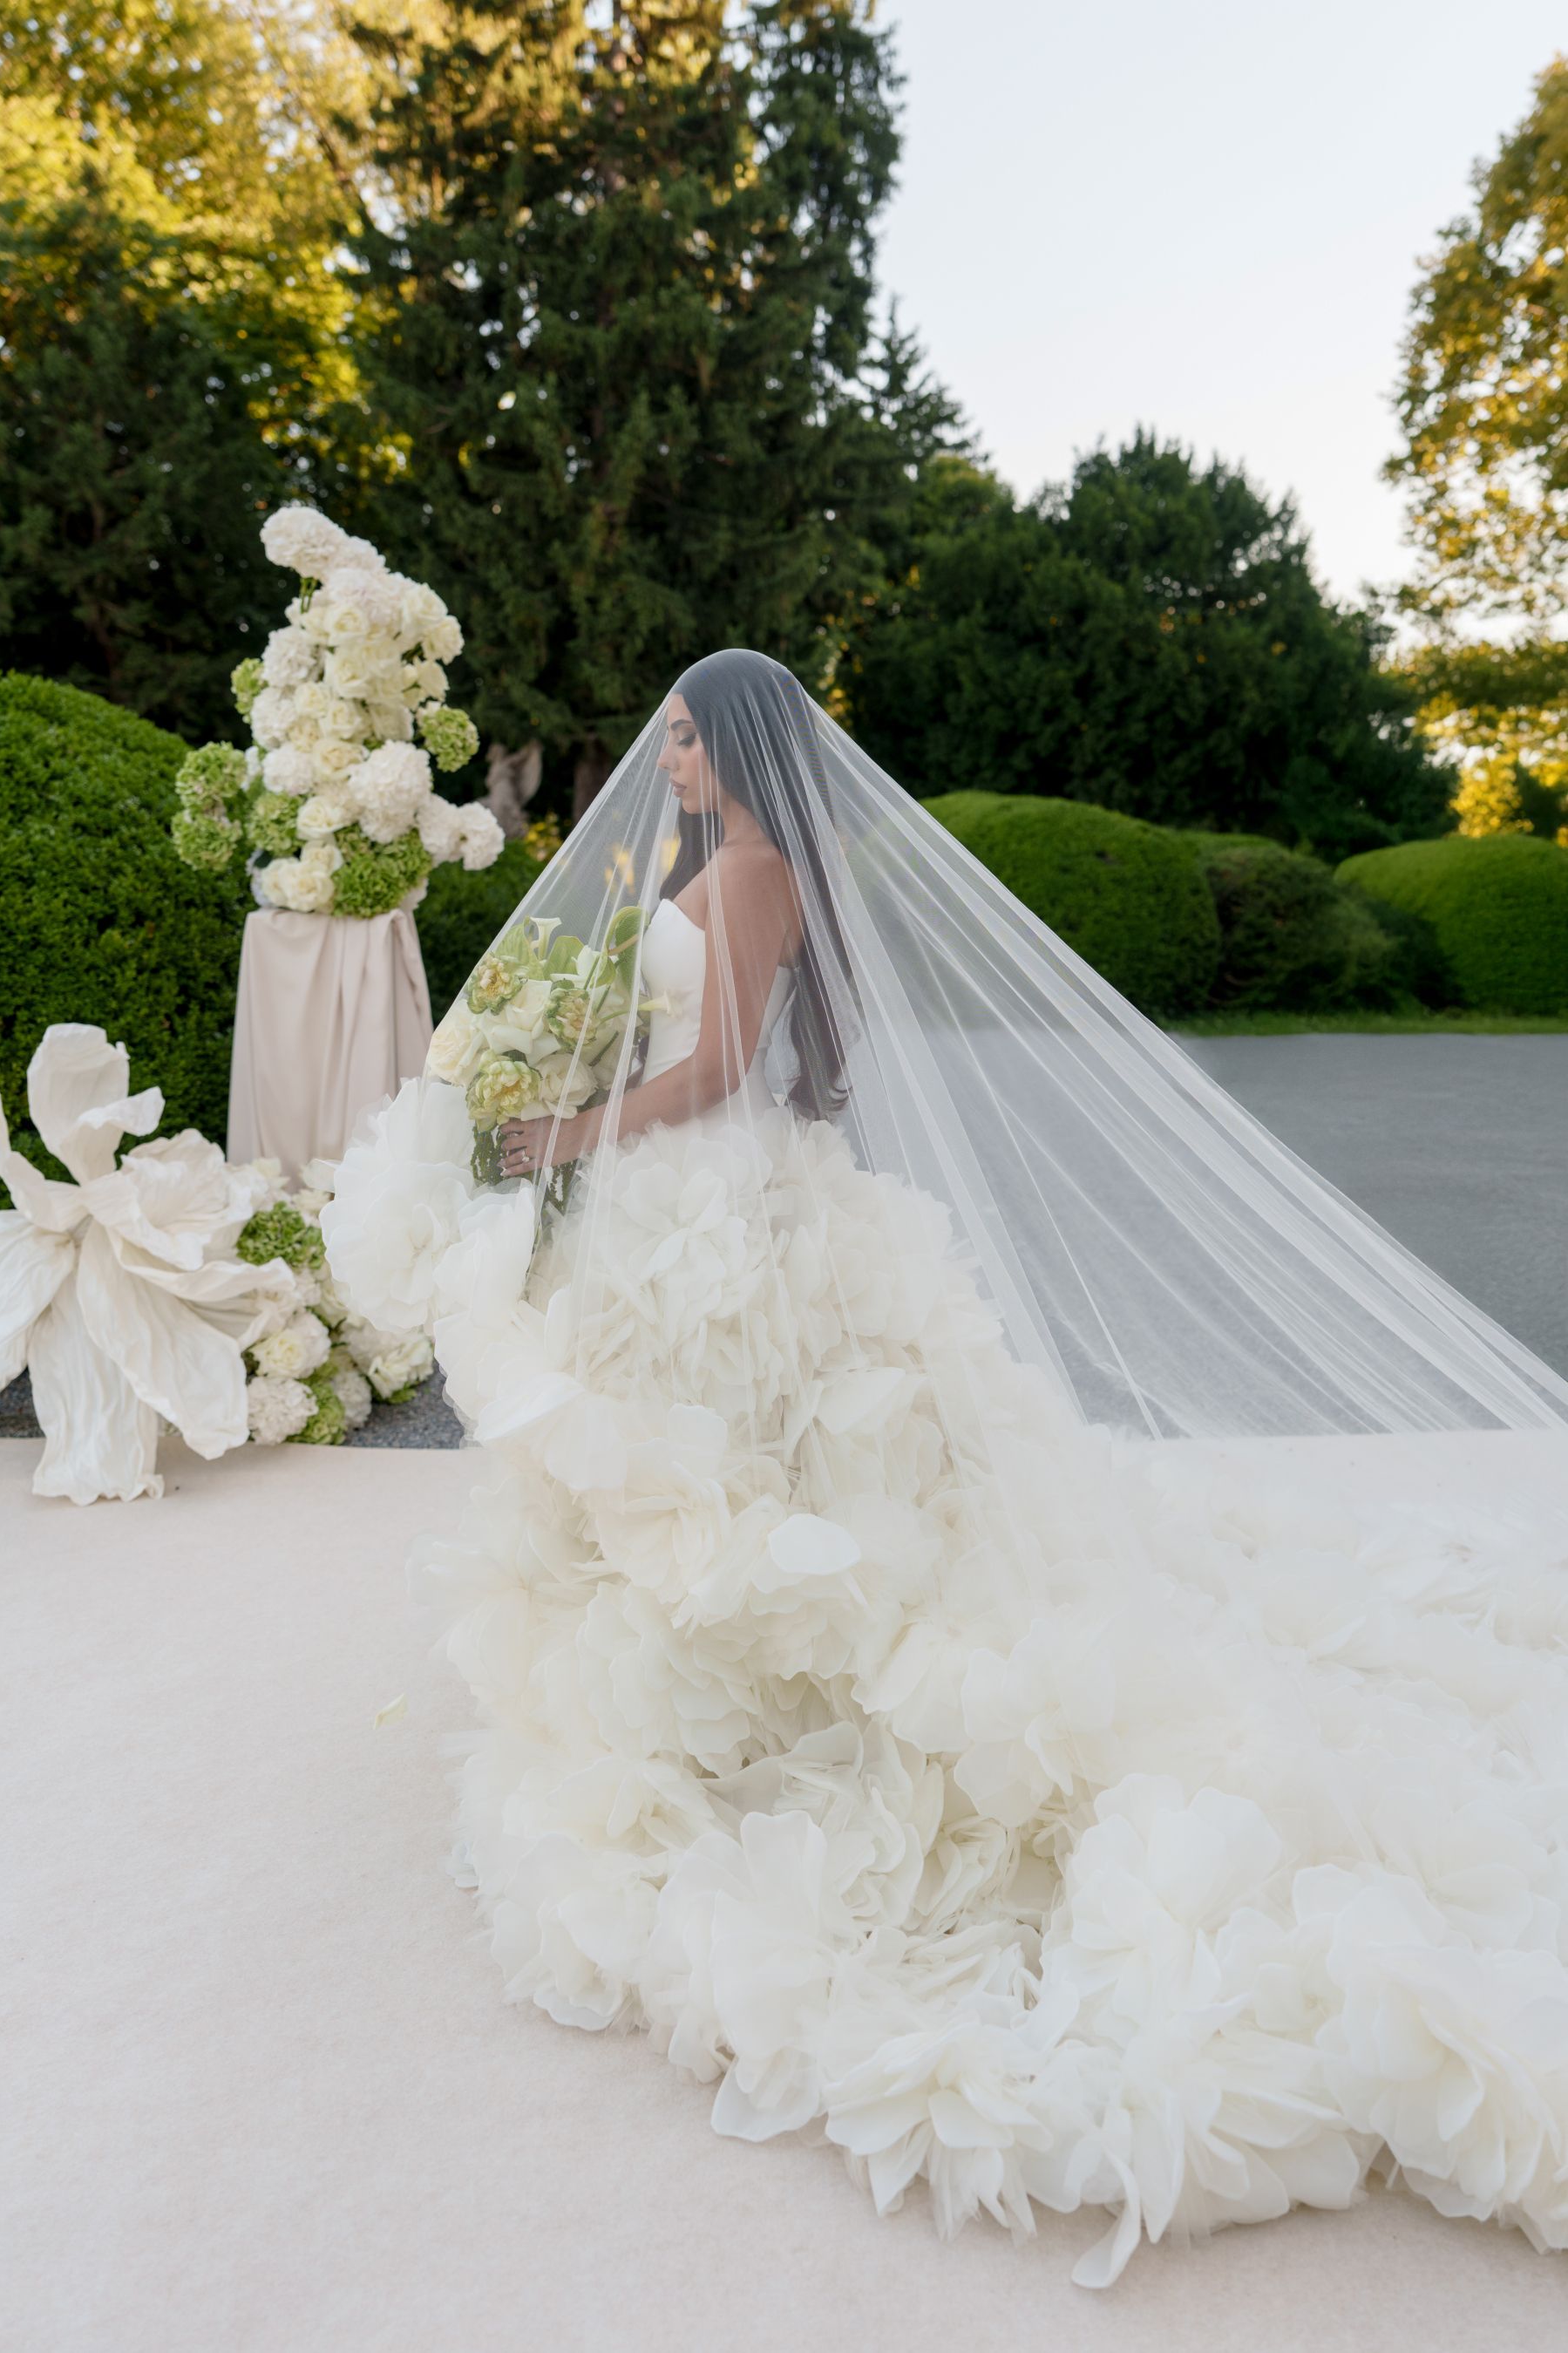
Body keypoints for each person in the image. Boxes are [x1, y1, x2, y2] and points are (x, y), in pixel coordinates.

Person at [334, 650, 1568, 2287]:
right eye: (673, 738)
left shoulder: (760, 867)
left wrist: (565, 1131)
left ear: (752, 746)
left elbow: (711, 1068)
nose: (671, 760)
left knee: (774, 1467)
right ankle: (694, 1687)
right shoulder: (712, 859)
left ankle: (784, 1694)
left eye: (693, 738)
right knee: (685, 1464)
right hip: (681, 1197)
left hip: (714, 1193)